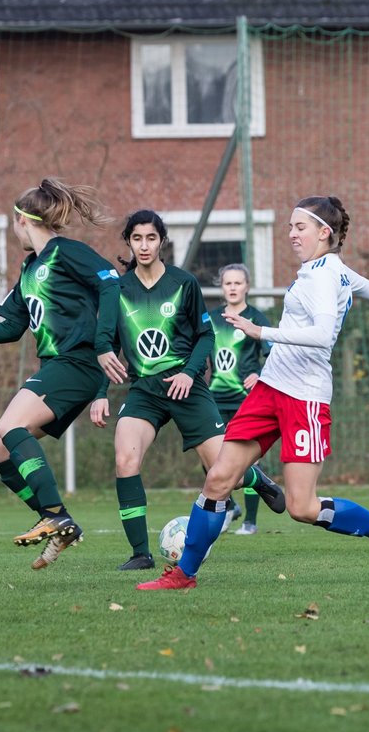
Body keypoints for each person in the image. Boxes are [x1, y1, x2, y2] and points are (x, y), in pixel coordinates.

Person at [138, 195, 369, 591]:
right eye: (291, 227)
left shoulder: (325, 276)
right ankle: (184, 574)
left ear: (323, 232)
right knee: (219, 478)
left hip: (304, 397)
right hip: (270, 389)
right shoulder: (329, 269)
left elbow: (323, 334)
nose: (291, 234)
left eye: (299, 227)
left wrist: (262, 332)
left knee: (302, 507)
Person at [0, 177, 128, 572]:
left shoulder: (67, 252)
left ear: (22, 220)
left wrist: (102, 344)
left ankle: (55, 513)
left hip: (77, 363)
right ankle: (60, 523)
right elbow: (10, 328)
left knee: (9, 425)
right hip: (57, 367)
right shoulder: (31, 267)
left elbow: (111, 282)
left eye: (12, 223)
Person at [90, 210, 285, 571]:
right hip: (144, 391)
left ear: (161, 241)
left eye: (151, 238)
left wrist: (189, 374)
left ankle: (256, 478)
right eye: (137, 239)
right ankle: (140, 554)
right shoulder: (116, 289)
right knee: (124, 460)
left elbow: (205, 335)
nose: (144, 245)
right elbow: (107, 343)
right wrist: (100, 391)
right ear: (129, 243)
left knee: (224, 474)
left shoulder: (184, 283)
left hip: (187, 386)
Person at [208, 263, 274, 535]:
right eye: (228, 283)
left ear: (246, 286)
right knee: (213, 458)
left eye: (238, 283)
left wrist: (259, 374)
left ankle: (250, 521)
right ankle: (230, 507)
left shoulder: (257, 318)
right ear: (221, 287)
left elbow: (275, 355)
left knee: (248, 460)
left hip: (246, 400)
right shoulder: (210, 318)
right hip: (214, 398)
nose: (233, 288)